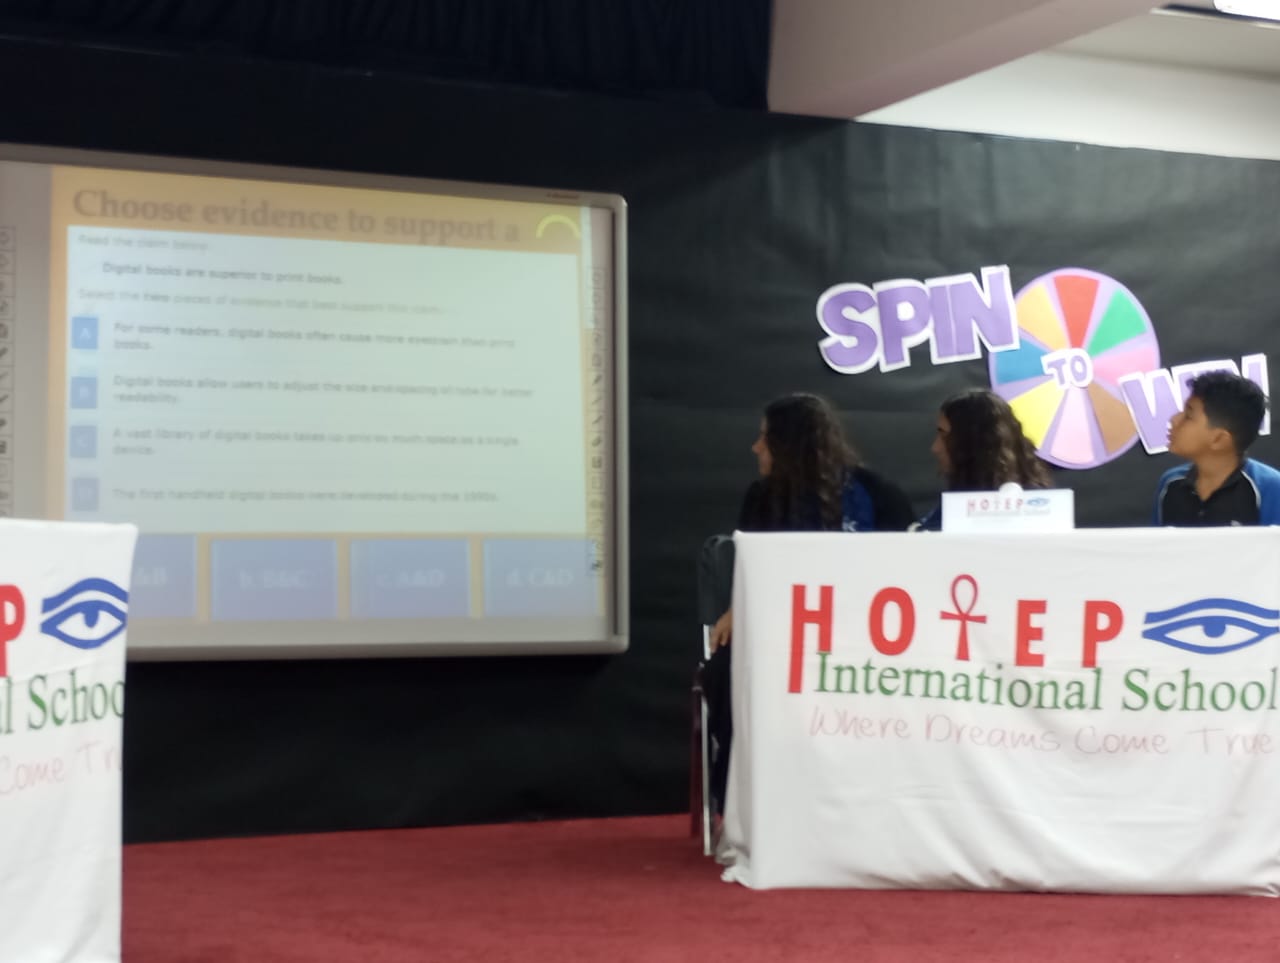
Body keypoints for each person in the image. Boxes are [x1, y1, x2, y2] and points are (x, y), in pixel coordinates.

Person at [703, 393, 914, 819]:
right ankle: (742, 796)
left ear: (789, 444)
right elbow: (752, 568)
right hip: (780, 636)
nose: (755, 448)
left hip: (862, 639)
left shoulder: (876, 493)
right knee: (723, 670)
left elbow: (906, 570)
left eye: (765, 438)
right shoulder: (762, 496)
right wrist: (736, 608)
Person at [916, 388, 1052, 530]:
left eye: (944, 435)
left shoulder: (1037, 510)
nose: (935, 448)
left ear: (976, 443)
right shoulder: (954, 504)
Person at [1155, 371, 1280, 526]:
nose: (1174, 420)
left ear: (1219, 439)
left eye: (1188, 416)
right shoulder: (1170, 483)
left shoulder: (1270, 488)